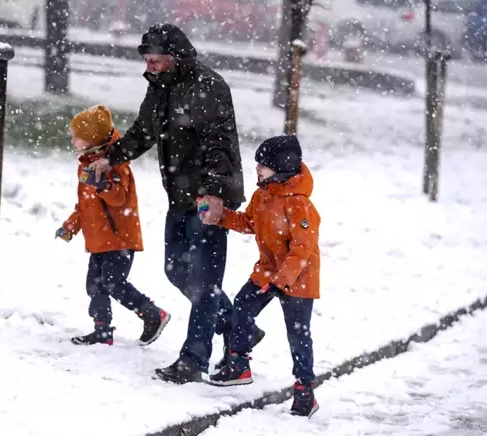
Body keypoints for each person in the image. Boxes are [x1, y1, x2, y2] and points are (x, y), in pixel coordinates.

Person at [87, 23, 264, 384]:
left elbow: (220, 145)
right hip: (180, 195)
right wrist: (112, 158)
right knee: (176, 270)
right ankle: (234, 325)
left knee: (205, 282)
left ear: (176, 58)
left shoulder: (208, 87)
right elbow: (143, 131)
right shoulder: (160, 88)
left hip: (208, 199)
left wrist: (214, 194)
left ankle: (194, 361)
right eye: (147, 61)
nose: (149, 67)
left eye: (155, 61)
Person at [202, 135, 321, 418]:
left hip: (298, 278)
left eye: (263, 165)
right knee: (243, 304)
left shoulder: (300, 205)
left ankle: (305, 391)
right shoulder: (263, 195)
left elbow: (302, 250)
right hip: (269, 271)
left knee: (298, 334)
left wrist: (282, 282)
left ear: (281, 167)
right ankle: (238, 364)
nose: (257, 168)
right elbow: (249, 222)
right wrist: (219, 216)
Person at [56, 104, 171, 347]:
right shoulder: (87, 165)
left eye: (77, 137)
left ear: (92, 140)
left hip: (119, 238)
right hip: (99, 239)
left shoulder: (116, 166)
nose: (73, 140)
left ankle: (152, 314)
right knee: (94, 285)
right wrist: (70, 226)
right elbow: (85, 205)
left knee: (113, 283)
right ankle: (102, 330)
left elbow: (118, 198)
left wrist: (102, 186)